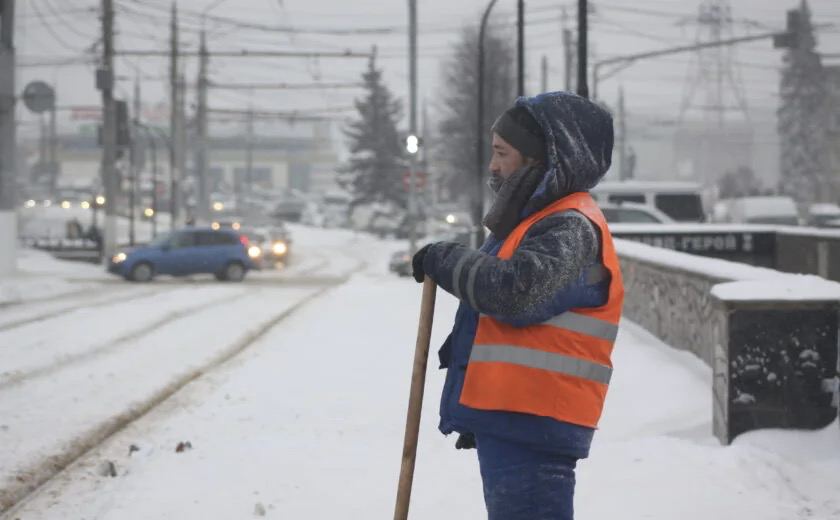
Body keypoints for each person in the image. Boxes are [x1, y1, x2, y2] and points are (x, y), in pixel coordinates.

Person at [411, 91, 624, 519]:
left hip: (537, 422)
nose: (493, 166)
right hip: (518, 417)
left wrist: (445, 259)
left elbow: (515, 292)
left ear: (539, 159)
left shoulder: (570, 226)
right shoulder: (539, 221)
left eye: (502, 153)